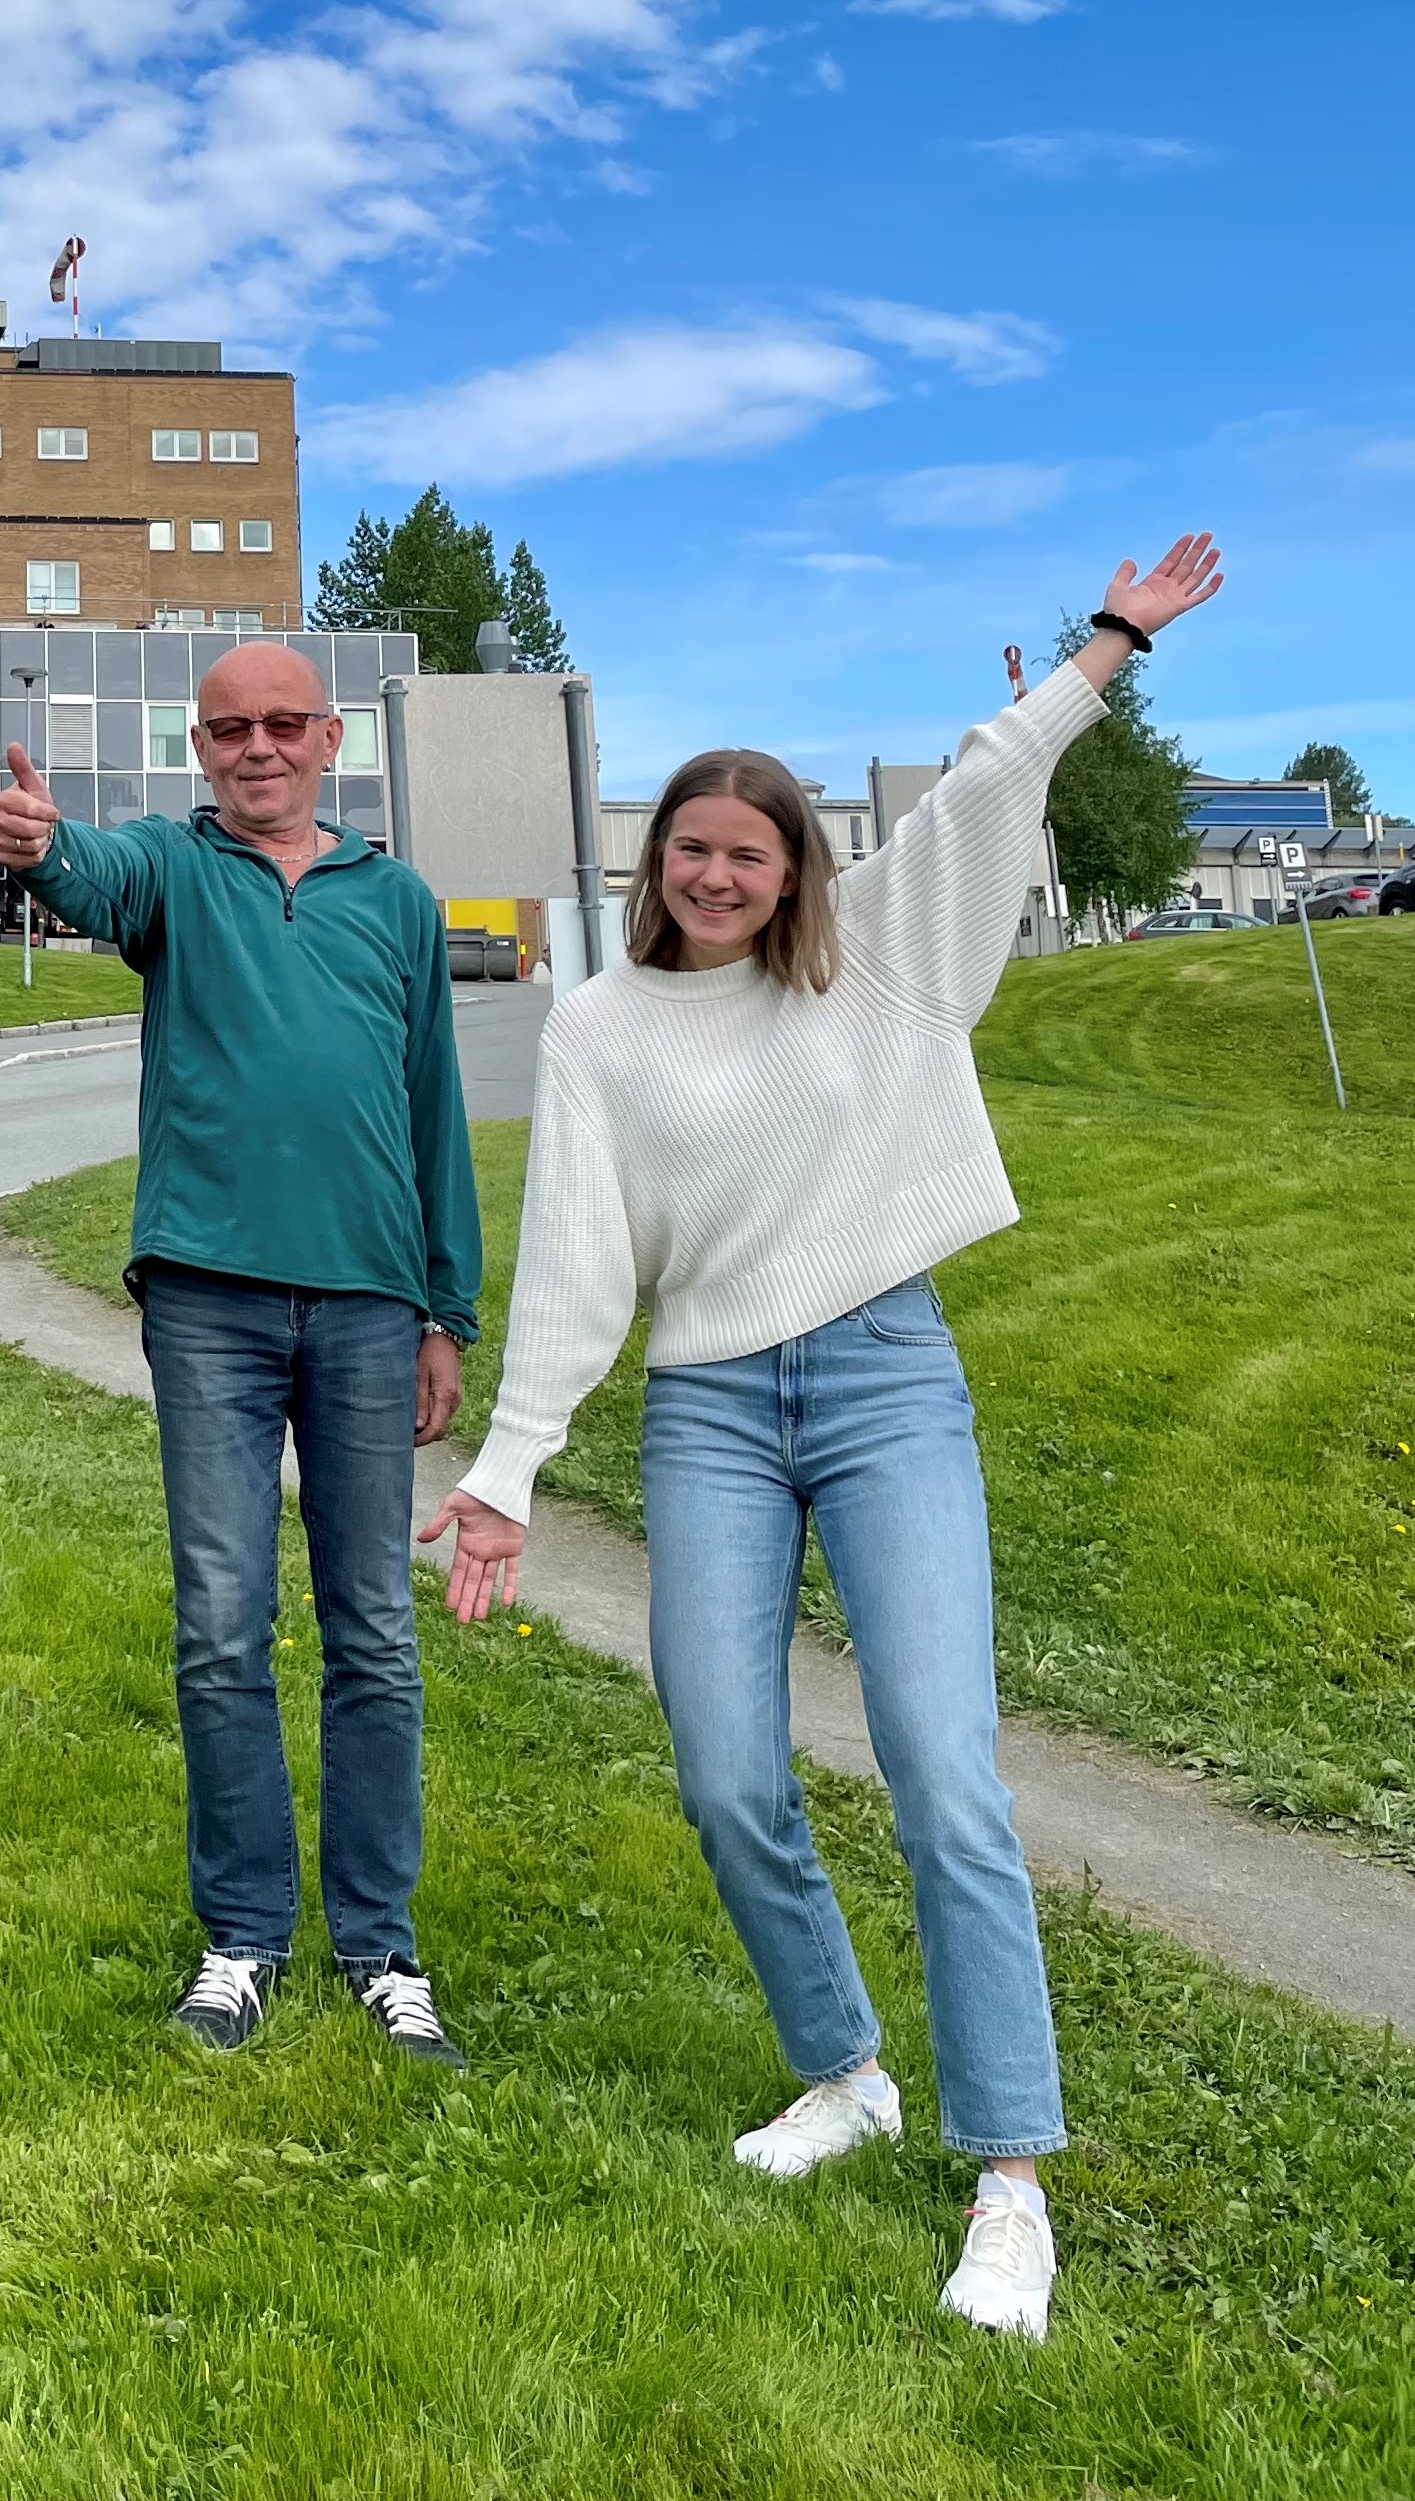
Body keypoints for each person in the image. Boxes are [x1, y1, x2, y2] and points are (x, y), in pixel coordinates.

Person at [419, 539, 1226, 2345]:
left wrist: (1107, 646)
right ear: (657, 870)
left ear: (792, 867)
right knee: (725, 1770)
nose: (716, 873)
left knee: (945, 1772)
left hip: (882, 1384)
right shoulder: (606, 1031)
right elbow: (573, 1262)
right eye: (691, 850)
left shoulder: (885, 966)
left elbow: (986, 785)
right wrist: (505, 1471)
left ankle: (1008, 2174)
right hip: (709, 1408)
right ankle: (844, 2069)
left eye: (749, 850)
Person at [0, 639, 479, 2068]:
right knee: (220, 1624)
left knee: (373, 1630)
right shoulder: (171, 874)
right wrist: (40, 843)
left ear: (330, 738)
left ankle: (383, 1946)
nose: (256, 748)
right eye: (228, 730)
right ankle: (243, 1937)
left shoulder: (396, 902)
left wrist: (450, 1306)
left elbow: (434, 1106)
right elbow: (87, 873)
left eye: (281, 725)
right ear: (197, 748)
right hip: (209, 1297)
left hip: (374, 1305)